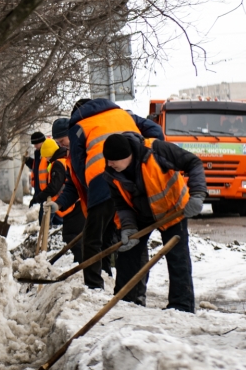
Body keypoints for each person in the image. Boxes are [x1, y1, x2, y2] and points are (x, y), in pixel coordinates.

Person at [53, 99, 164, 290]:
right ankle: (134, 290)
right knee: (130, 236)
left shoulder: (78, 127)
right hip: (135, 181)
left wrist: (92, 197)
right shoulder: (123, 114)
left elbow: (79, 173)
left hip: (102, 182)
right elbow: (156, 131)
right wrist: (145, 158)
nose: (63, 146)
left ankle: (94, 286)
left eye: (62, 142)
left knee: (92, 239)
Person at [101, 132, 206, 312]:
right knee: (128, 254)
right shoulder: (111, 174)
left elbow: (193, 162)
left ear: (127, 155)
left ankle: (181, 306)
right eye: (108, 160)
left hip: (173, 210)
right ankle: (126, 301)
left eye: (113, 160)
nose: (109, 164)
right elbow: (122, 205)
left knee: (178, 258)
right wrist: (128, 227)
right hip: (140, 214)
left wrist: (197, 194)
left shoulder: (157, 150)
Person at [50, 118, 83, 262]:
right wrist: (59, 203)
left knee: (75, 235)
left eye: (62, 140)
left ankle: (86, 265)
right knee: (73, 235)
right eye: (58, 142)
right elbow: (72, 185)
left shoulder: (82, 151)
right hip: (78, 202)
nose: (61, 145)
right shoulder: (71, 155)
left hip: (86, 203)